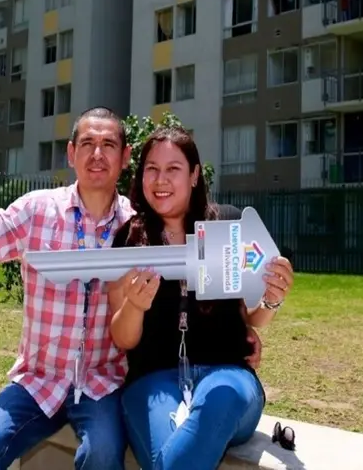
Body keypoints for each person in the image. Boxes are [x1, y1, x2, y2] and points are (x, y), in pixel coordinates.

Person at [0, 108, 132, 470]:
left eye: (108, 144)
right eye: (87, 143)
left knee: (103, 454)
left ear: (125, 156)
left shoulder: (134, 225)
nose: (97, 154)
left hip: (102, 383)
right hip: (39, 380)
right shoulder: (38, 209)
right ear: (71, 153)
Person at [109, 126, 295, 470]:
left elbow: (250, 316)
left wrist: (272, 298)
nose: (161, 180)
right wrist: (135, 305)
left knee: (219, 400)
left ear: (194, 175)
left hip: (227, 374)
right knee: (173, 459)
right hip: (153, 380)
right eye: (152, 168)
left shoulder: (227, 224)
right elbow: (122, 338)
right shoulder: (129, 240)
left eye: (173, 169)